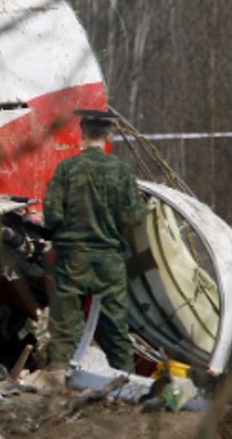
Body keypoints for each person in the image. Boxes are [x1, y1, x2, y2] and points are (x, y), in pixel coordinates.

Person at [42, 109, 149, 372]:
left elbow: (52, 216)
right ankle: (126, 390)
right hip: (110, 262)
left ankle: (58, 390)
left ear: (82, 133)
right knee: (116, 333)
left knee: (65, 332)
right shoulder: (123, 172)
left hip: (72, 261)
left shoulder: (67, 169)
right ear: (109, 135)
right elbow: (134, 218)